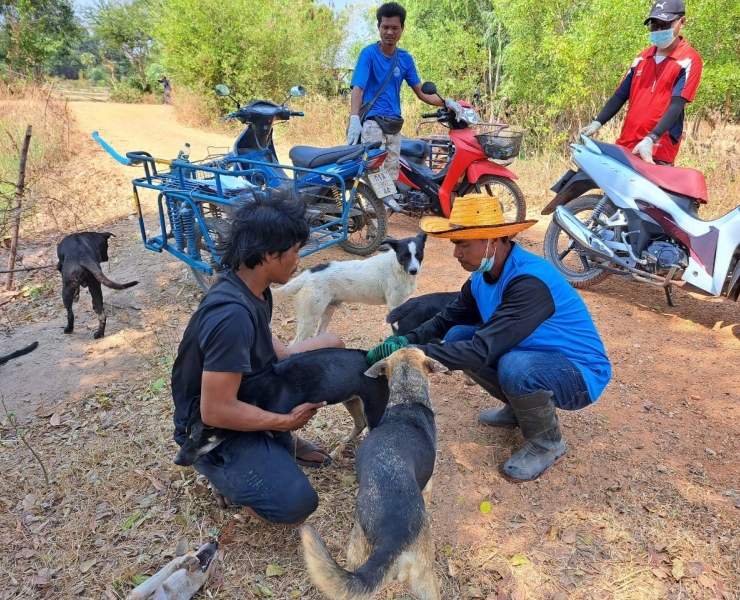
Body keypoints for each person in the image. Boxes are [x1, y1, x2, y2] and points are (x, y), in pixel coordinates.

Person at [366, 194, 612, 482]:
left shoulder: (529, 282)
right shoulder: (481, 277)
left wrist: (413, 354)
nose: (456, 254)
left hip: (578, 373)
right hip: (536, 354)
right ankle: (520, 409)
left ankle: (548, 443)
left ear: (493, 240)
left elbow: (481, 350)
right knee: (457, 335)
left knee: (515, 368)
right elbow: (447, 318)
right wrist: (406, 340)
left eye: (463, 244)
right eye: (455, 244)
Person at [171, 188, 344, 526]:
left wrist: (307, 353)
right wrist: (284, 422)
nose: (298, 260)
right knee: (294, 508)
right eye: (295, 251)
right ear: (268, 254)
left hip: (248, 391)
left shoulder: (253, 288)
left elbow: (267, 346)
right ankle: (220, 469)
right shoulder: (230, 316)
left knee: (332, 346)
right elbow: (215, 410)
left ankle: (274, 444)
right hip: (210, 428)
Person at [347, 2, 462, 211]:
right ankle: (371, 220)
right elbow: (358, 88)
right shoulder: (369, 54)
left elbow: (421, 91)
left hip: (394, 125)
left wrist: (447, 102)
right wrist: (354, 118)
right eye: (385, 27)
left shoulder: (405, 59)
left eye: (395, 27)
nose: (389, 32)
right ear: (379, 27)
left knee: (390, 175)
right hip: (373, 122)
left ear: (402, 29)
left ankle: (378, 222)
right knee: (375, 172)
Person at [579, 0, 702, 165]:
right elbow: (620, 96)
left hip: (657, 149)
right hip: (626, 144)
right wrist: (597, 123)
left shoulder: (688, 60)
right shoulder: (641, 58)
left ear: (682, 22)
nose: (659, 30)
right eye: (654, 25)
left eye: (665, 25)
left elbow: (676, 105)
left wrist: (651, 138)